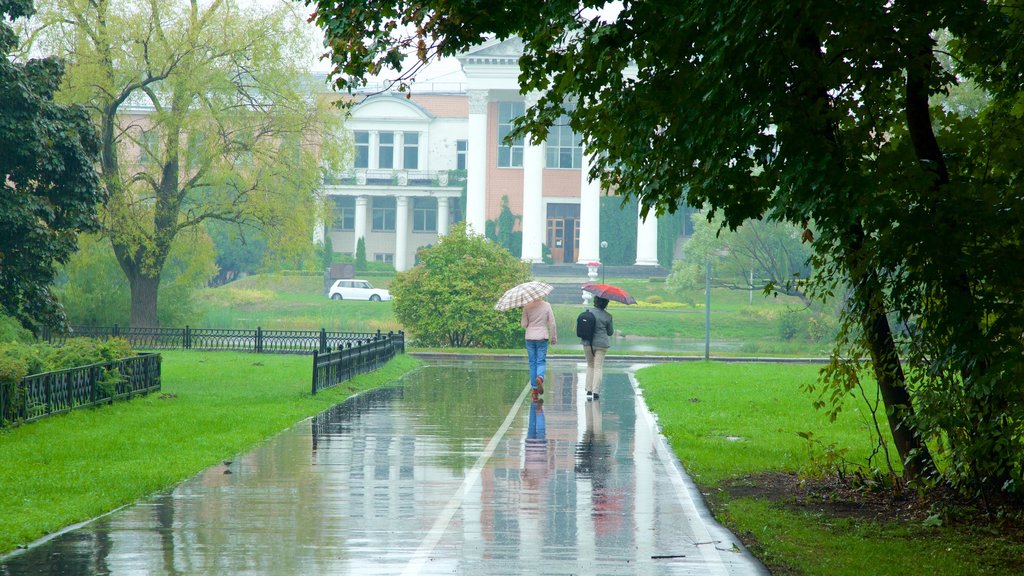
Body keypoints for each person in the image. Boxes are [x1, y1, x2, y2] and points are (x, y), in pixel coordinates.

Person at [522, 297, 557, 400]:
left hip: (530, 337)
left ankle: (534, 389)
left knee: (532, 362)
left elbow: (523, 324)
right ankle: (540, 378)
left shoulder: (526, 306)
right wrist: (553, 338)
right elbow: (552, 323)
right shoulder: (546, 305)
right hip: (542, 336)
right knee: (540, 361)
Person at [582, 296, 613, 400]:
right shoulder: (608, 316)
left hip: (588, 343)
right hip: (601, 344)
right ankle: (596, 391)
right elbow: (610, 332)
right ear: (606, 304)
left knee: (590, 365)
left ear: (595, 302)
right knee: (598, 367)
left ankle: (588, 389)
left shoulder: (588, 312)